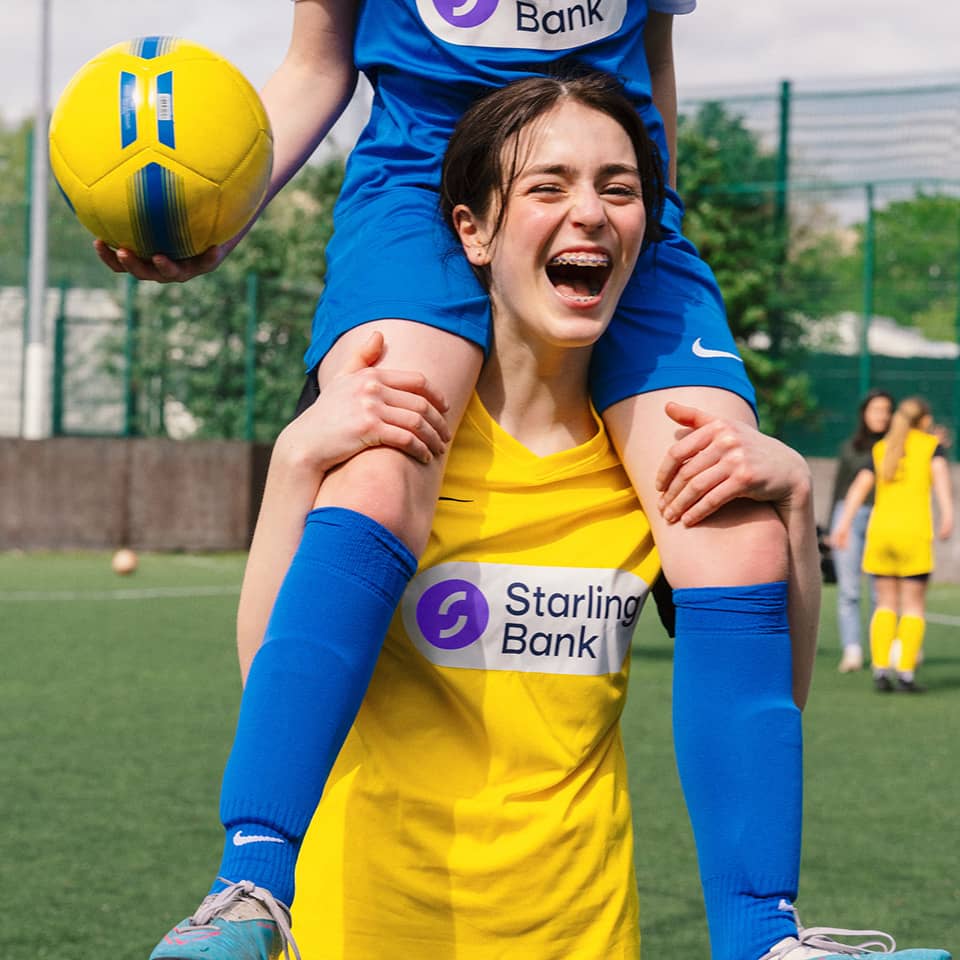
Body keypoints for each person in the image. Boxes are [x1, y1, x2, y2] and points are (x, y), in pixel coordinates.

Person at [151, 73, 949, 960]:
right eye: (548, 186)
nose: (591, 214)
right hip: (368, 929)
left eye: (620, 189)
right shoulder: (402, 442)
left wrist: (794, 501)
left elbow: (772, 700)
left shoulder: (655, 469)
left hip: (585, 936)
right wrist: (297, 457)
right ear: (474, 231)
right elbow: (268, 672)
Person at [832, 396, 954, 693]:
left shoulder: (882, 448)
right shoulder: (930, 447)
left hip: (881, 533)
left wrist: (843, 524)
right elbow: (941, 483)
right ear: (925, 420)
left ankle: (881, 670)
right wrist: (949, 516)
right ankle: (906, 674)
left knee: (885, 604)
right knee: (912, 606)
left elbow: (859, 485)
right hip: (913, 533)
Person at [829, 390, 895, 673]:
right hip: (850, 516)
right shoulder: (850, 448)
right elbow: (839, 489)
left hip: (884, 517)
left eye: (886, 410)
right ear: (864, 414)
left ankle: (884, 649)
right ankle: (852, 649)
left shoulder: (897, 447)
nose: (881, 415)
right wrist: (833, 526)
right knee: (849, 589)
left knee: (882, 591)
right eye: (875, 409)